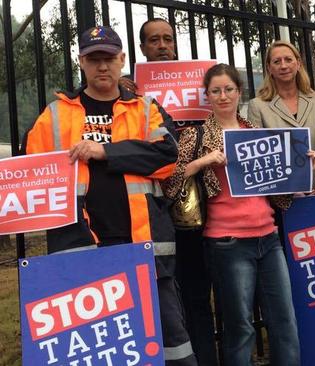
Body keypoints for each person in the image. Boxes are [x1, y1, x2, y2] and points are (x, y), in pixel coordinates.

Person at [23, 26, 197, 365]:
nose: (102, 66)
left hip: (144, 246)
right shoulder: (54, 115)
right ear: (81, 62)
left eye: (108, 58)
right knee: (101, 347)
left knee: (170, 343)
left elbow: (167, 157)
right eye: (94, 59)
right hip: (82, 247)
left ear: (122, 60)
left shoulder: (146, 108)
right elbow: (32, 176)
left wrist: (105, 152)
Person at [164, 63, 315, 366]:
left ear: (239, 92)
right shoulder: (194, 136)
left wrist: (304, 169)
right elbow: (169, 182)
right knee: (240, 327)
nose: (223, 96)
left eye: (229, 89)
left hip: (268, 238)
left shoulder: (256, 132)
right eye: (216, 91)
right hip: (227, 242)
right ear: (207, 95)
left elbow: (281, 193)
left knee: (285, 323)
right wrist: (202, 161)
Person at [131, 17, 219, 366]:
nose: (163, 45)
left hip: (199, 210)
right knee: (159, 297)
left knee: (199, 295)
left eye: (168, 38)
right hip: (151, 211)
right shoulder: (129, 96)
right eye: (154, 40)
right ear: (142, 48)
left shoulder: (200, 90)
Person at [247, 40, 315, 151]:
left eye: (288, 60)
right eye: (276, 62)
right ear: (269, 68)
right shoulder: (257, 106)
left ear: (298, 64)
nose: (283, 66)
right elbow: (257, 151)